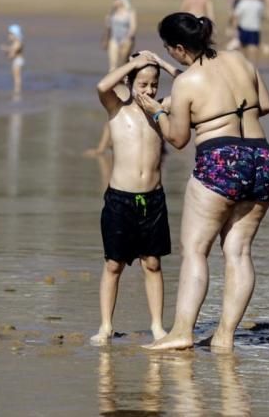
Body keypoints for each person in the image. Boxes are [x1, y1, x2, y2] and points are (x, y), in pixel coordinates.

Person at [133, 13, 269, 351]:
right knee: (239, 251)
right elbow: (266, 105)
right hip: (262, 158)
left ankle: (182, 331)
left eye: (170, 50)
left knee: (196, 250)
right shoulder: (240, 59)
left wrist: (155, 111)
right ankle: (225, 337)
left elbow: (178, 138)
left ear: (180, 47)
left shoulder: (187, 82)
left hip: (220, 161)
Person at [90, 52, 179, 345]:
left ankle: (157, 326)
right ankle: (105, 326)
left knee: (152, 263)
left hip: (152, 199)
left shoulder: (162, 108)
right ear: (129, 82)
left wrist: (162, 64)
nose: (149, 90)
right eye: (142, 84)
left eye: (154, 84)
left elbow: (186, 83)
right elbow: (103, 86)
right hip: (120, 199)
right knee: (113, 264)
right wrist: (133, 64)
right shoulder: (117, 107)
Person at [104, 0, 137, 71]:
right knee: (112, 65)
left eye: (115, 0)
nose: (114, 1)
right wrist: (106, 40)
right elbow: (108, 28)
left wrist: (127, 39)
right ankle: (112, 80)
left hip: (126, 39)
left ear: (122, 0)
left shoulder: (130, 12)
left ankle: (124, 80)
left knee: (123, 63)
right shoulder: (112, 12)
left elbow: (133, 28)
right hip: (114, 38)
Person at [232, 0, 265, 65]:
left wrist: (234, 29)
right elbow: (261, 16)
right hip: (255, 29)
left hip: (243, 28)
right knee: (254, 48)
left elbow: (236, 16)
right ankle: (254, 66)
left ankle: (245, 66)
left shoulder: (242, 3)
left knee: (243, 48)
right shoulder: (259, 3)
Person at [2, 24, 24, 94]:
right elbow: (12, 52)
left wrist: (7, 50)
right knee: (15, 76)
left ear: (15, 35)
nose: (9, 36)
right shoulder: (16, 42)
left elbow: (14, 51)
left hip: (18, 61)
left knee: (17, 76)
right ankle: (17, 87)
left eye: (10, 34)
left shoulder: (18, 43)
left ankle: (17, 88)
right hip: (16, 61)